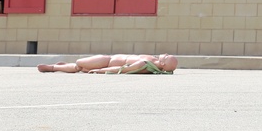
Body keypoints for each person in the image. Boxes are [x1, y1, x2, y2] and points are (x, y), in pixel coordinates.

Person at [37, 53, 178, 74]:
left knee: (79, 64)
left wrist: (101, 70)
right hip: (108, 61)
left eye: (166, 57)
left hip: (107, 62)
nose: (164, 54)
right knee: (82, 66)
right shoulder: (152, 63)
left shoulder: (145, 64)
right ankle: (61, 66)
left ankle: (53, 67)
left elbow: (123, 69)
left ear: (163, 65)